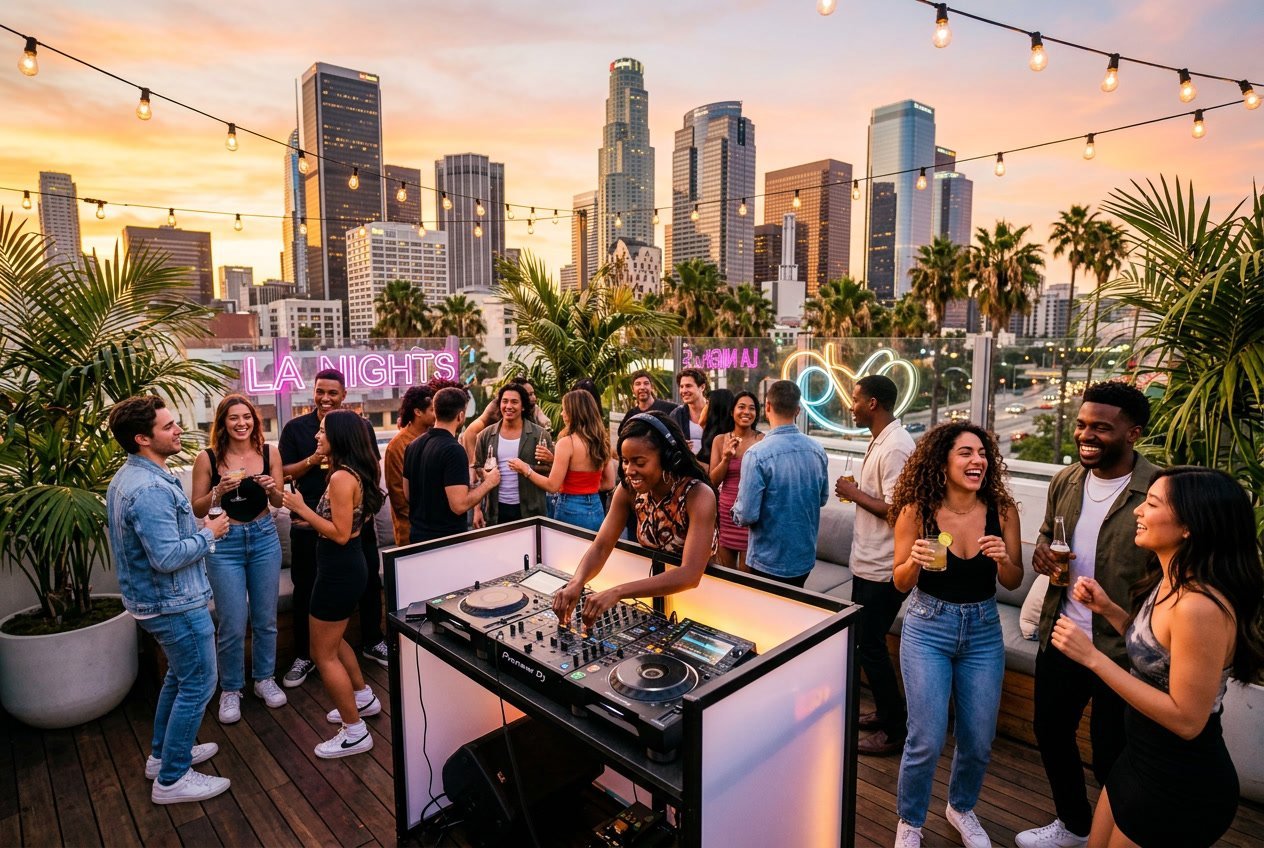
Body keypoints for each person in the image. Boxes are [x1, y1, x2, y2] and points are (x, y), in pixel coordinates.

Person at [1051, 467, 1263, 848]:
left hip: (1181, 782)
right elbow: (1159, 653)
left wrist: (1093, 658)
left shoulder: (1199, 607)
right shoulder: (1169, 578)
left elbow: (1187, 720)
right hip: (1137, 757)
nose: (1137, 511)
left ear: (1189, 526)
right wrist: (1109, 609)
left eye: (1150, 503)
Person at [1018, 381, 1160, 848]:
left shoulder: (1157, 492)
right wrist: (1041, 554)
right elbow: (1046, 534)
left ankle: (1117, 833)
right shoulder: (1066, 480)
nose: (1086, 435)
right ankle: (1075, 826)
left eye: (1102, 427)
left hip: (1124, 649)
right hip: (1062, 634)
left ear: (1133, 433)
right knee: (1051, 732)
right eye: (1081, 424)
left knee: (1111, 753)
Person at [888, 422, 1024, 848]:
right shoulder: (917, 510)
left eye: (982, 453)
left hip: (983, 630)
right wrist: (913, 560)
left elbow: (1015, 579)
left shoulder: (1002, 510)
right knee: (926, 738)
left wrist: (1005, 559)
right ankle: (910, 822)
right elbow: (899, 582)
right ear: (942, 461)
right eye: (965, 453)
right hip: (929, 626)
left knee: (979, 739)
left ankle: (961, 808)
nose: (977, 460)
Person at [106, 395, 230, 804]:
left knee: (179, 678)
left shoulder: (133, 477)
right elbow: (167, 557)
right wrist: (209, 534)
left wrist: (197, 529)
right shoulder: (149, 489)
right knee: (199, 684)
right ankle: (173, 779)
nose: (178, 430)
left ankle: (162, 756)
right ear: (142, 438)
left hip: (157, 602)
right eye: (168, 426)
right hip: (174, 604)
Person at [281, 410, 385, 759]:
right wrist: (311, 520)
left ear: (338, 437)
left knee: (321, 654)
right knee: (334, 641)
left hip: (339, 570)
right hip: (344, 568)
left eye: (323, 431)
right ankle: (362, 698)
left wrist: (301, 508)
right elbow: (348, 525)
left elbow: (341, 535)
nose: (316, 436)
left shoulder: (341, 478)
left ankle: (355, 732)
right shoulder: (352, 473)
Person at [552, 411, 717, 627]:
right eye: (625, 461)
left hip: (709, 601)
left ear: (668, 458)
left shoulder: (699, 495)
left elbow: (690, 574)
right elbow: (602, 546)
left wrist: (618, 592)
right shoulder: (628, 490)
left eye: (639, 462)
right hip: (656, 599)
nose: (629, 471)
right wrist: (577, 582)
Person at [278, 369, 387, 687]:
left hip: (345, 530)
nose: (325, 398)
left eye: (332, 393)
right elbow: (283, 471)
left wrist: (362, 513)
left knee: (367, 584)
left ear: (344, 395)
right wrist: (313, 460)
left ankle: (371, 640)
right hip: (312, 528)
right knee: (306, 590)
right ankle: (305, 655)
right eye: (319, 391)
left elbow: (371, 471)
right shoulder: (296, 429)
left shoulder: (357, 429)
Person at [190, 395, 287, 724]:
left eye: (247, 417)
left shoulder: (270, 452)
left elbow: (278, 500)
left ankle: (264, 679)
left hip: (263, 537)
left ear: (255, 421)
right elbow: (199, 509)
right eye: (234, 418)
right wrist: (219, 491)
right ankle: (231, 688)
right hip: (225, 541)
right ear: (222, 422)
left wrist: (273, 488)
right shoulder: (207, 458)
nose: (241, 423)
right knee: (231, 622)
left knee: (265, 618)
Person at [835, 375, 916, 757]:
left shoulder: (897, 446)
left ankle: (895, 728)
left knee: (870, 646)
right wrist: (859, 493)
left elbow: (899, 510)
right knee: (867, 644)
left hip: (884, 567)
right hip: (867, 561)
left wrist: (852, 493)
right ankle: (886, 715)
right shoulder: (881, 440)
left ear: (872, 404)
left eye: (855, 399)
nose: (850, 405)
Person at [730, 380, 829, 588]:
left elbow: (747, 514)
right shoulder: (817, 450)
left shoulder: (757, 454)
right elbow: (822, 499)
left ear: (767, 407)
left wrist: (733, 510)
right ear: (798, 410)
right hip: (804, 559)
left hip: (767, 561)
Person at [403, 387, 502, 543]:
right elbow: (459, 505)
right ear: (461, 416)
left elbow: (408, 494)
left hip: (417, 537)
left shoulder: (412, 446)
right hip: (446, 541)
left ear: (435, 412)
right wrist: (489, 483)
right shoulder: (454, 450)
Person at [510, 389, 615, 533]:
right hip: (596, 507)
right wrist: (585, 486)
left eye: (564, 410)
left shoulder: (567, 443)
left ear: (574, 413)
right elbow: (609, 483)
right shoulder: (601, 441)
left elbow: (552, 485)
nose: (561, 414)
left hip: (571, 507)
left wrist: (525, 469)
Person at [473, 383, 554, 526]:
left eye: (514, 402)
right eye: (505, 401)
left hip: (530, 511)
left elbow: (551, 471)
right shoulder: (486, 435)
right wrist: (477, 510)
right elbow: (478, 467)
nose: (508, 406)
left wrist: (527, 468)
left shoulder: (540, 435)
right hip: (496, 511)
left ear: (523, 406)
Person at [708, 390, 762, 569]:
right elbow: (712, 482)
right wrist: (726, 459)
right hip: (726, 513)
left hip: (752, 514)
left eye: (752, 408)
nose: (747, 412)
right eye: (741, 407)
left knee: (748, 576)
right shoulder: (720, 440)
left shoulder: (763, 440)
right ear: (732, 412)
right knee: (727, 574)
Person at [384, 385, 436, 547]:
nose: (437, 413)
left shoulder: (434, 437)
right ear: (418, 412)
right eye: (433, 410)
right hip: (411, 531)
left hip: (435, 528)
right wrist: (426, 520)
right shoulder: (397, 445)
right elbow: (398, 494)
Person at [668, 367, 708, 469]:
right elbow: (667, 443)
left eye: (688, 386)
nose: (684, 390)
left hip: (712, 468)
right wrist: (680, 446)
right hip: (687, 469)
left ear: (702, 387)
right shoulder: (677, 414)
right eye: (681, 387)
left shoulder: (715, 412)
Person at [697, 388, 735, 470]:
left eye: (707, 403)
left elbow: (711, 472)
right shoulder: (710, 433)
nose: (704, 408)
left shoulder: (723, 439)